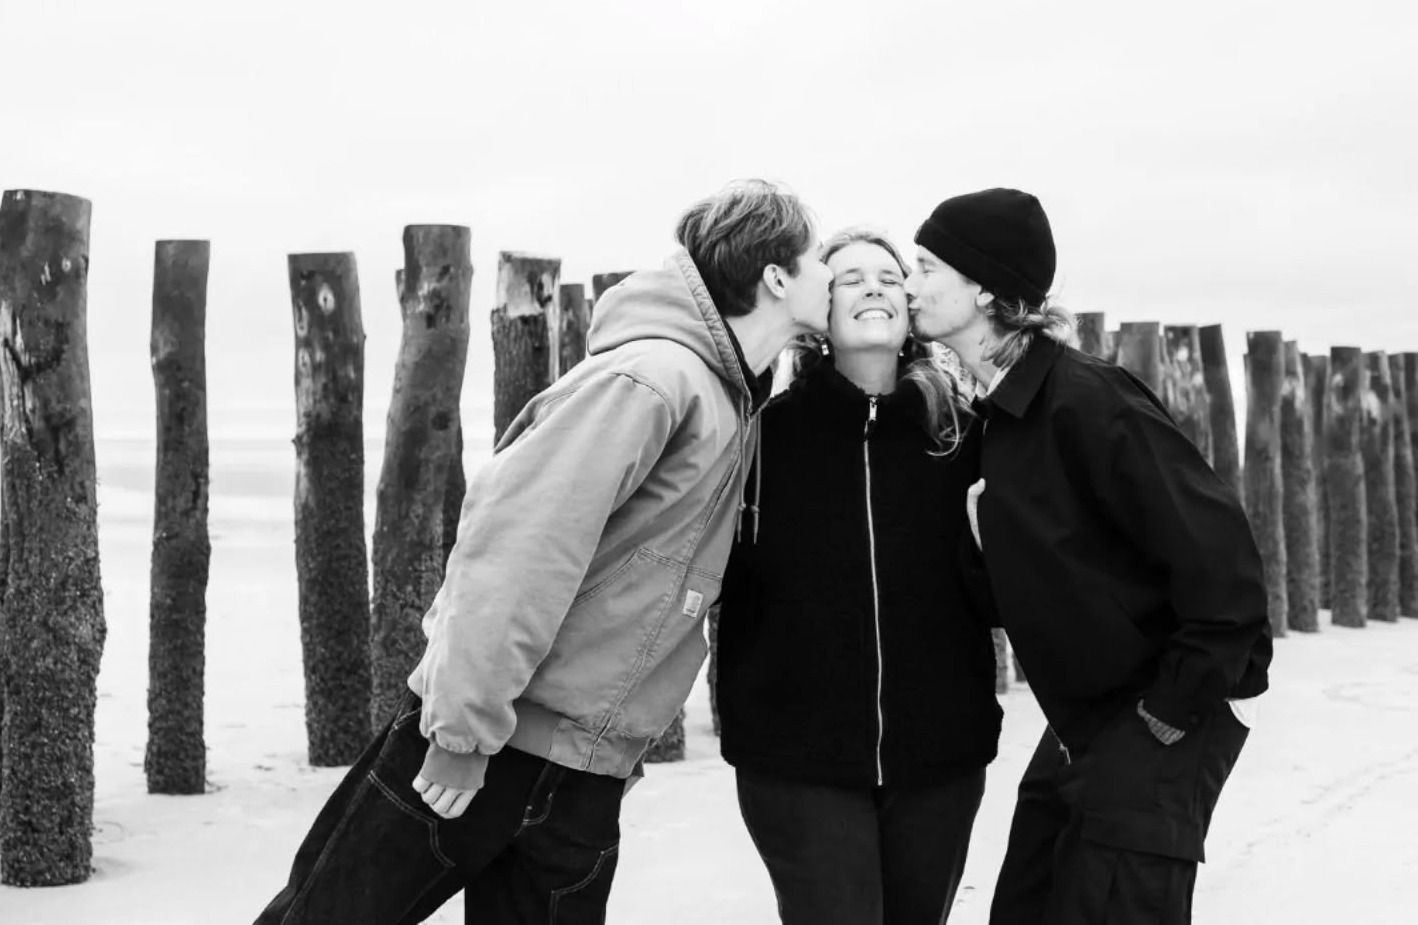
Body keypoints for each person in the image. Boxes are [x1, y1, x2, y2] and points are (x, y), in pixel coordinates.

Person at [254, 178, 834, 924]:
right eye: (820, 260)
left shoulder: (729, 398)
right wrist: (462, 732)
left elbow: (652, 587)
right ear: (778, 275)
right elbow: (516, 552)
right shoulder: (653, 379)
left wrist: (610, 750)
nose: (831, 276)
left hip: (583, 771)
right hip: (486, 745)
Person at [905, 187, 1272, 924]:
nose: (908, 284)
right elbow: (1019, 596)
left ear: (983, 287)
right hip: (1079, 728)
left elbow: (1222, 565)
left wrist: (1166, 712)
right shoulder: (997, 419)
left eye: (924, 266)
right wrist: (983, 547)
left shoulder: (1087, 401)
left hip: (1152, 722)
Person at [716, 227, 1000, 925]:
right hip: (794, 756)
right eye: (849, 277)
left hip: (941, 754)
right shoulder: (756, 437)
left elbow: (1003, 601)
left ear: (909, 310)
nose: (873, 285)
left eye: (888, 275)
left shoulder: (965, 437)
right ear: (820, 314)